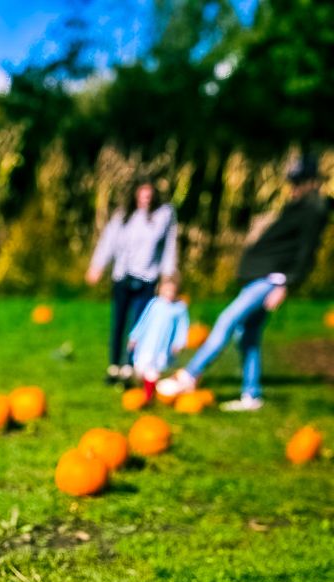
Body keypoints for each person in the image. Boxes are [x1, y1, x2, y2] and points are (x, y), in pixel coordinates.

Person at [158, 155, 330, 411]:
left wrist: (285, 284)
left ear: (311, 182)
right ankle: (251, 395)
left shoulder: (313, 210)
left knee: (227, 321)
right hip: (262, 277)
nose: (293, 188)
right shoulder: (299, 206)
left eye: (297, 182)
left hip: (270, 279)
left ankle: (189, 375)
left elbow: (306, 252)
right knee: (247, 336)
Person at [86, 179, 179, 383]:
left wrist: (169, 275)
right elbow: (108, 241)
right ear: (135, 195)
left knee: (138, 324)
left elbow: (169, 247)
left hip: (147, 278)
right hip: (123, 276)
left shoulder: (163, 216)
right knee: (118, 322)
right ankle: (114, 366)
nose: (146, 199)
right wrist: (97, 265)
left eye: (149, 196)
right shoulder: (123, 216)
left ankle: (130, 365)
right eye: (142, 195)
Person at [126, 274, 190, 401]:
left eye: (172, 291)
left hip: (163, 346)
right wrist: (134, 337)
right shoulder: (154, 304)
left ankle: (148, 396)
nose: (169, 294)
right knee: (140, 369)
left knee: (153, 371)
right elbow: (143, 321)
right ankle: (142, 388)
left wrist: (179, 343)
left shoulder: (179, 308)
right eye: (167, 290)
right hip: (147, 344)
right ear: (160, 289)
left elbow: (182, 327)